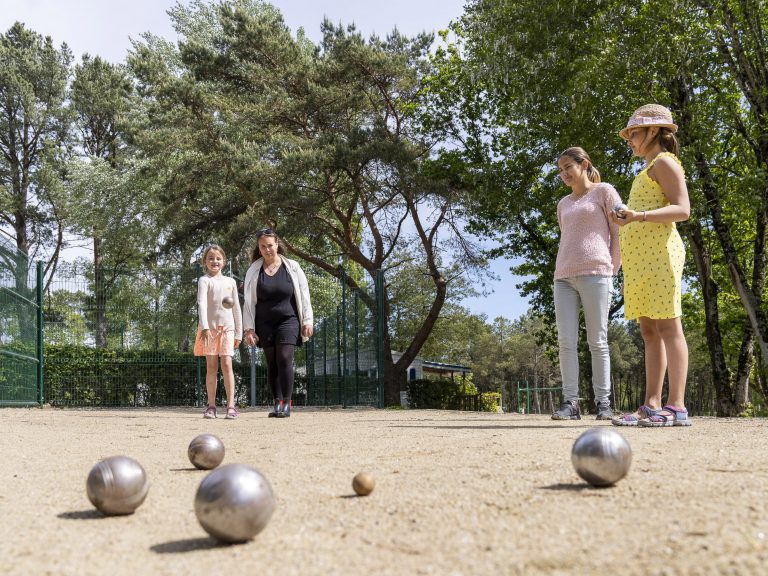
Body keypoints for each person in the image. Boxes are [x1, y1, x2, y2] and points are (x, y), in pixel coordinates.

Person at [611, 104, 692, 427]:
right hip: (641, 262)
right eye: (629, 134)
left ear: (654, 131)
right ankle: (651, 405)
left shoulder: (664, 162)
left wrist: (639, 216)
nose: (630, 139)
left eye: (635, 133)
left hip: (661, 255)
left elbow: (683, 209)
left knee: (669, 326)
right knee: (648, 330)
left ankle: (677, 407)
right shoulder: (646, 169)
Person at [551, 147, 622, 421]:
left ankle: (603, 403)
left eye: (568, 166)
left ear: (584, 164)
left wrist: (611, 270)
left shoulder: (604, 191)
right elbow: (567, 237)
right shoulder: (563, 204)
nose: (564, 173)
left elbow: (618, 234)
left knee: (598, 341)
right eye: (560, 170)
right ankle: (571, 403)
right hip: (563, 277)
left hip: (597, 274)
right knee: (566, 342)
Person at [243, 228, 314, 418]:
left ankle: (287, 403)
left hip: (288, 320)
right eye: (263, 246)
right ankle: (277, 403)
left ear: (277, 245)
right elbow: (248, 302)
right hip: (264, 322)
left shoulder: (292, 267)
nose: (267, 250)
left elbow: (304, 293)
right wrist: (249, 328)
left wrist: (307, 320)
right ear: (259, 248)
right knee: (272, 362)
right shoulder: (253, 270)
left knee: (284, 358)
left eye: (270, 246)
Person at [194, 245, 242, 419]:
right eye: (211, 258)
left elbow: (236, 307)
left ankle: (231, 406)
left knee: (227, 364)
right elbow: (202, 304)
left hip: (228, 329)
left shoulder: (230, 282)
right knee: (212, 366)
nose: (215, 261)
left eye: (218, 258)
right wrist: (205, 326)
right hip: (210, 330)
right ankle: (211, 406)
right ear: (205, 262)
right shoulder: (204, 280)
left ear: (224, 261)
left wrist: (239, 332)